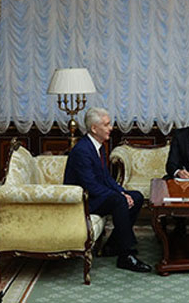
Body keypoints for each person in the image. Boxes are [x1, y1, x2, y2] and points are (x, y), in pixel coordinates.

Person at [63, 107, 151, 273]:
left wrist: (122, 192)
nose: (111, 128)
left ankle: (112, 245)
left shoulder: (99, 146)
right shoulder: (82, 150)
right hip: (82, 201)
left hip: (95, 196)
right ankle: (126, 255)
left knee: (137, 197)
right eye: (106, 124)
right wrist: (119, 196)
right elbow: (90, 185)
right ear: (94, 128)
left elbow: (106, 178)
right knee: (118, 201)